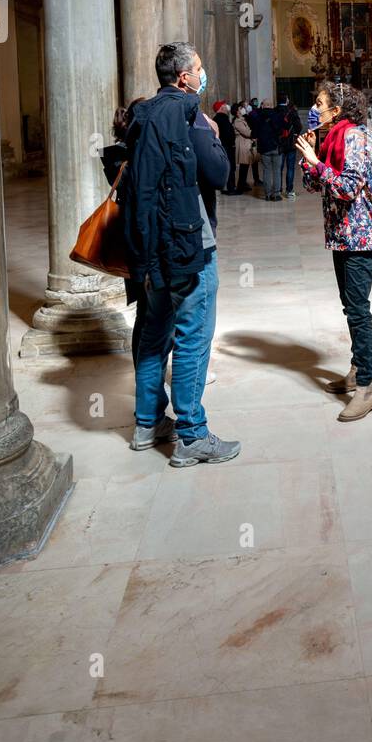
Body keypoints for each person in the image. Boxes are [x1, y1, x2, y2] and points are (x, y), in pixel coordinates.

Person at [123, 42, 240, 466]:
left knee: (154, 335)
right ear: (184, 77)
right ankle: (192, 435)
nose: (202, 75)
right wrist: (212, 132)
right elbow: (220, 175)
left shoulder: (142, 114)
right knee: (193, 337)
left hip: (148, 245)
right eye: (199, 69)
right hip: (188, 245)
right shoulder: (189, 114)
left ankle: (147, 423)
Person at [297, 81, 372, 421]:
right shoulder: (332, 138)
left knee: (359, 310)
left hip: (360, 237)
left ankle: (368, 387)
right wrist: (309, 158)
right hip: (341, 235)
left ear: (338, 110)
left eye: (320, 103)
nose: (314, 109)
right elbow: (312, 185)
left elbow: (347, 187)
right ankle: (357, 368)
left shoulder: (357, 138)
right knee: (350, 307)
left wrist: (316, 162)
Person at [101, 98, 147, 359]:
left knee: (146, 310)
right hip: (138, 242)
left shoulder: (122, 155)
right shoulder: (126, 158)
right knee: (148, 312)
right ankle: (147, 371)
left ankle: (147, 370)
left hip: (132, 239)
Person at [254, 100, 282, 199]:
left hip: (264, 148)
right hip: (275, 146)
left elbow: (255, 133)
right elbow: (280, 131)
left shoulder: (258, 117)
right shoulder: (277, 115)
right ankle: (277, 194)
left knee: (266, 170)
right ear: (271, 105)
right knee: (277, 171)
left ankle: (268, 194)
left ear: (263, 106)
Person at [275, 96, 302, 197]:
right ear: (286, 101)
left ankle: (278, 189)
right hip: (290, 143)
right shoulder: (292, 111)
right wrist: (295, 134)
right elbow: (299, 126)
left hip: (279, 143)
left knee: (279, 168)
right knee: (290, 168)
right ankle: (289, 190)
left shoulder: (274, 111)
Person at [213, 100, 237, 194]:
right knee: (229, 167)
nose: (227, 106)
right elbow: (227, 134)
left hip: (224, 146)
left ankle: (227, 187)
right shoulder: (222, 119)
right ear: (221, 108)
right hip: (226, 147)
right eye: (224, 105)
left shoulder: (218, 118)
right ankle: (230, 188)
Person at [232, 101, 255, 193]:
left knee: (245, 166)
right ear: (237, 111)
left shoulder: (242, 119)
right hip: (242, 144)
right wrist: (254, 132)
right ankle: (240, 186)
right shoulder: (237, 121)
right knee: (243, 167)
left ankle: (243, 184)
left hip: (245, 144)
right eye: (240, 108)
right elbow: (247, 132)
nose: (242, 109)